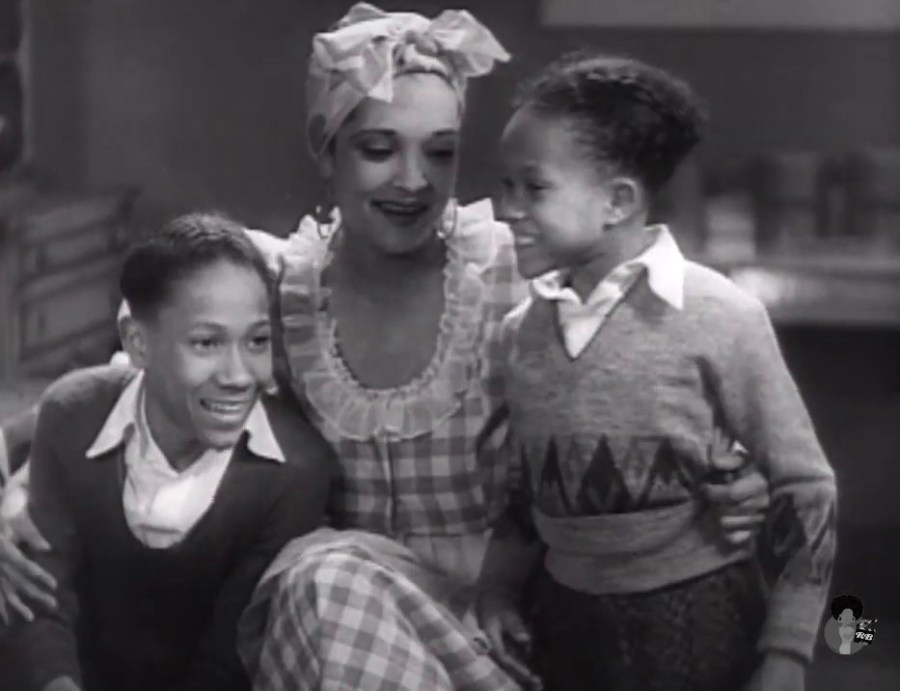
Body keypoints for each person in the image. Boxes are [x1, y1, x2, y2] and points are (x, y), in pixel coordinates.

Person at [0, 4, 771, 689]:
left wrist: (731, 478)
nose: (413, 179)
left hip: (509, 630)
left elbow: (666, 368)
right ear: (324, 148)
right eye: (379, 148)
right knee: (323, 575)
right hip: (332, 634)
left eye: (439, 151)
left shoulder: (518, 271)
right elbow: (107, 403)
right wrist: (11, 504)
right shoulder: (270, 284)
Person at [489, 51, 838, 691]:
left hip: (703, 627)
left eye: (532, 188)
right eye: (504, 186)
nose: (505, 208)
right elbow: (522, 492)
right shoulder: (519, 334)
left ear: (617, 200)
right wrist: (494, 591)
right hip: (563, 630)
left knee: (855, 632)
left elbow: (805, 488)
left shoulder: (720, 315)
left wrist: (787, 656)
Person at [3, 213, 336, 691]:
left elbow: (228, 656)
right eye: (206, 343)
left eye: (257, 341)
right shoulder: (73, 410)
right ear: (138, 343)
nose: (239, 376)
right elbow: (41, 596)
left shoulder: (295, 470)